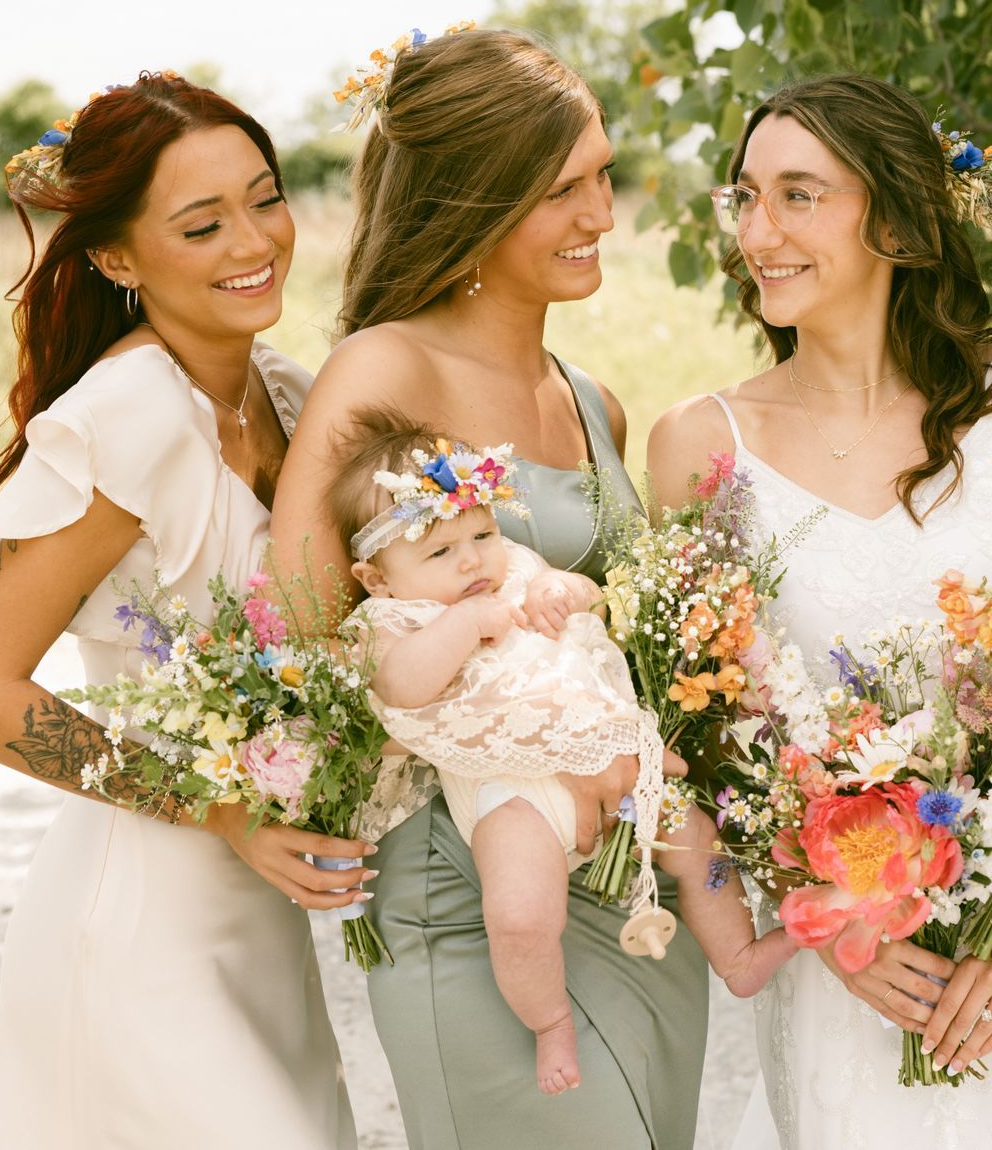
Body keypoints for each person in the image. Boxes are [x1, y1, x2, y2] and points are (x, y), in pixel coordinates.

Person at [649, 75, 992, 1150]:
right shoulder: (698, 443)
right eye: (746, 196)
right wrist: (834, 928)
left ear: (898, 219)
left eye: (800, 196)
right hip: (845, 963)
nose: (758, 232)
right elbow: (709, 734)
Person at [268, 26, 706, 1150]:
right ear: (472, 203)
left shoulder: (592, 399)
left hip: (629, 881)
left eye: (603, 175)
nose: (603, 214)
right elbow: (318, 638)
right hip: (473, 891)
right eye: (564, 190)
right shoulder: (385, 373)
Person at [0, 73, 360, 1148]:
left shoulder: (287, 393)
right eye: (201, 224)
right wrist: (218, 810)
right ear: (117, 257)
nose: (253, 240)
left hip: (258, 929)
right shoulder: (129, 415)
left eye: (265, 198)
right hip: (143, 922)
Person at [332, 411, 794, 1094]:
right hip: (510, 789)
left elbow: (586, 599)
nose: (472, 561)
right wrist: (464, 624)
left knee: (696, 842)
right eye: (439, 552)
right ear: (376, 578)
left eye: (483, 533)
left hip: (608, 750)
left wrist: (563, 589)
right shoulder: (391, 620)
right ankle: (549, 1021)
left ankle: (741, 956)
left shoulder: (514, 570)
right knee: (519, 912)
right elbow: (401, 688)